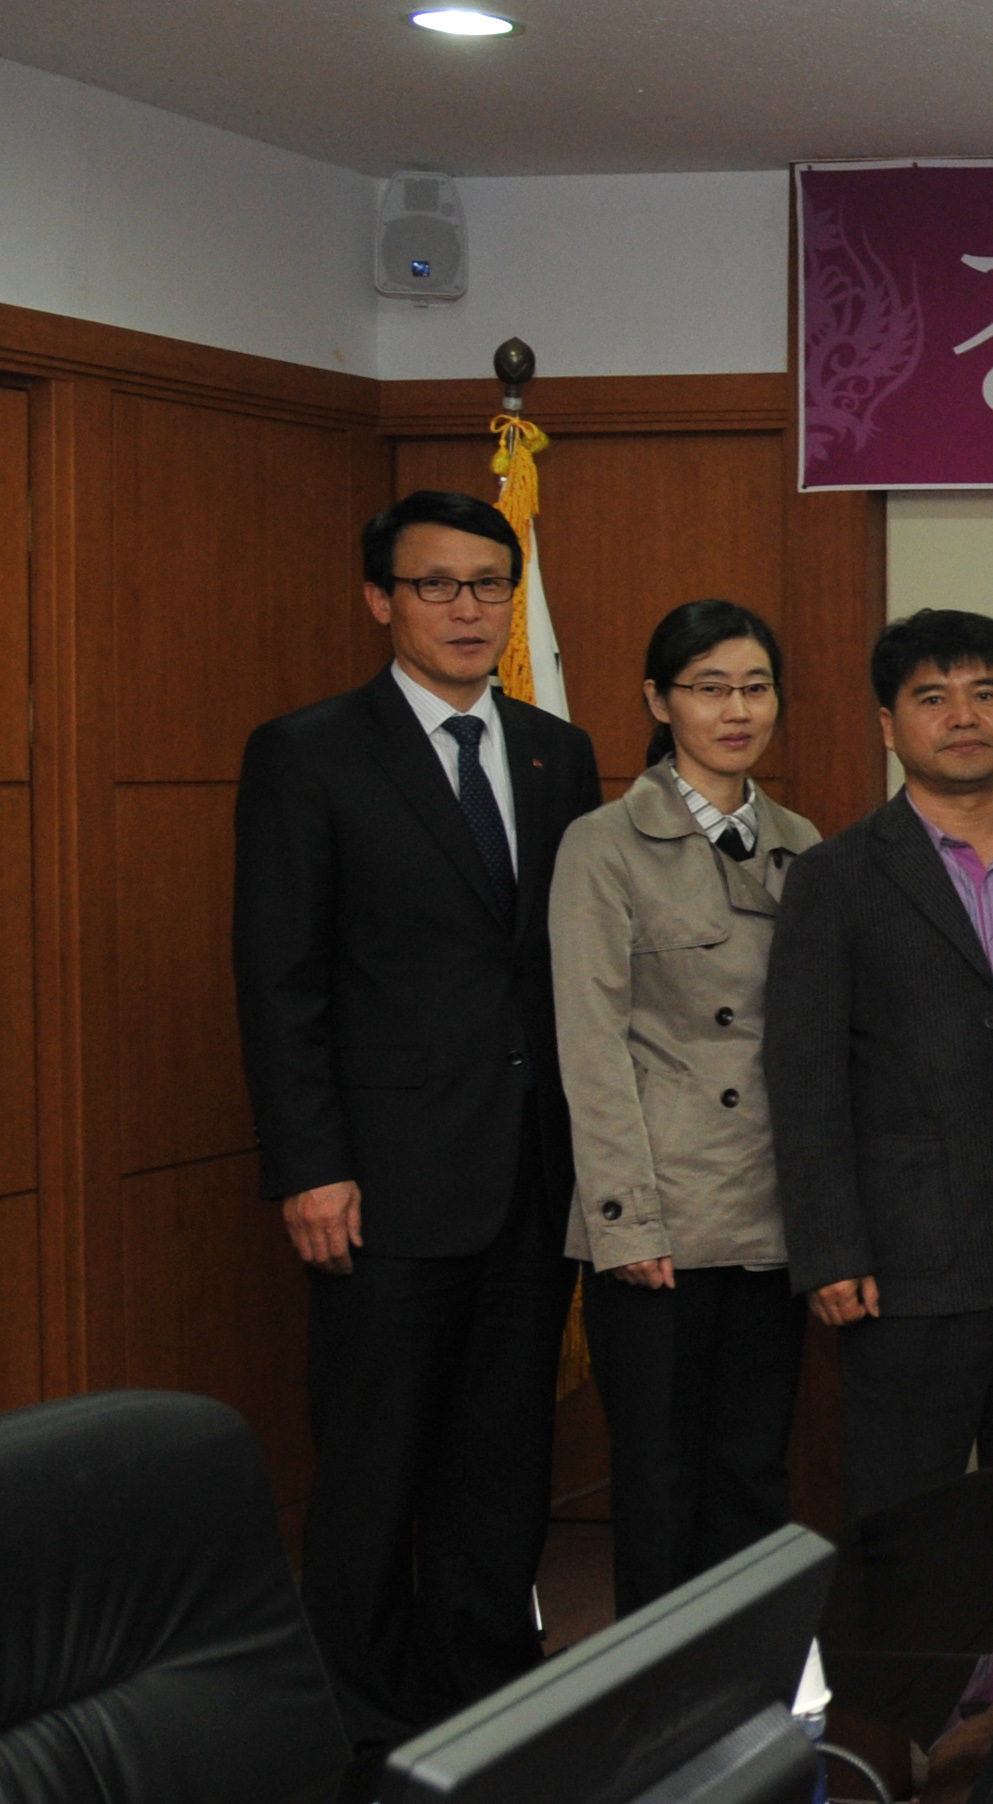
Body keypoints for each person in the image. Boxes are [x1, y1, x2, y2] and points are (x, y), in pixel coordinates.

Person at [232, 491, 601, 1741]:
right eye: (436, 584)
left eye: (490, 584)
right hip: (379, 1184)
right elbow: (280, 978)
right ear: (379, 599)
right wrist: (309, 1165)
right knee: (374, 1466)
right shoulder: (309, 752)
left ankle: (485, 1704)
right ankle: (357, 1729)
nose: (467, 608)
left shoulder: (556, 751)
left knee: (502, 1464)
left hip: (531, 1174)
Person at [766, 611, 993, 1524]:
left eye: (986, 692)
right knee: (906, 1515)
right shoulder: (835, 877)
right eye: (932, 698)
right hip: (905, 1255)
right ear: (888, 724)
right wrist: (829, 1247)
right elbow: (806, 1074)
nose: (963, 716)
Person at [554, 599, 822, 1617]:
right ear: (659, 702)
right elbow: (591, 1044)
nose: (736, 710)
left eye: (755, 687)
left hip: (768, 1214)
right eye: (709, 688)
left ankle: (749, 1684)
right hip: (661, 1216)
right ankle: (655, 1698)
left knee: (752, 1473)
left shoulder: (800, 841)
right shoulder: (604, 843)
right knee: (660, 1482)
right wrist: (626, 1221)